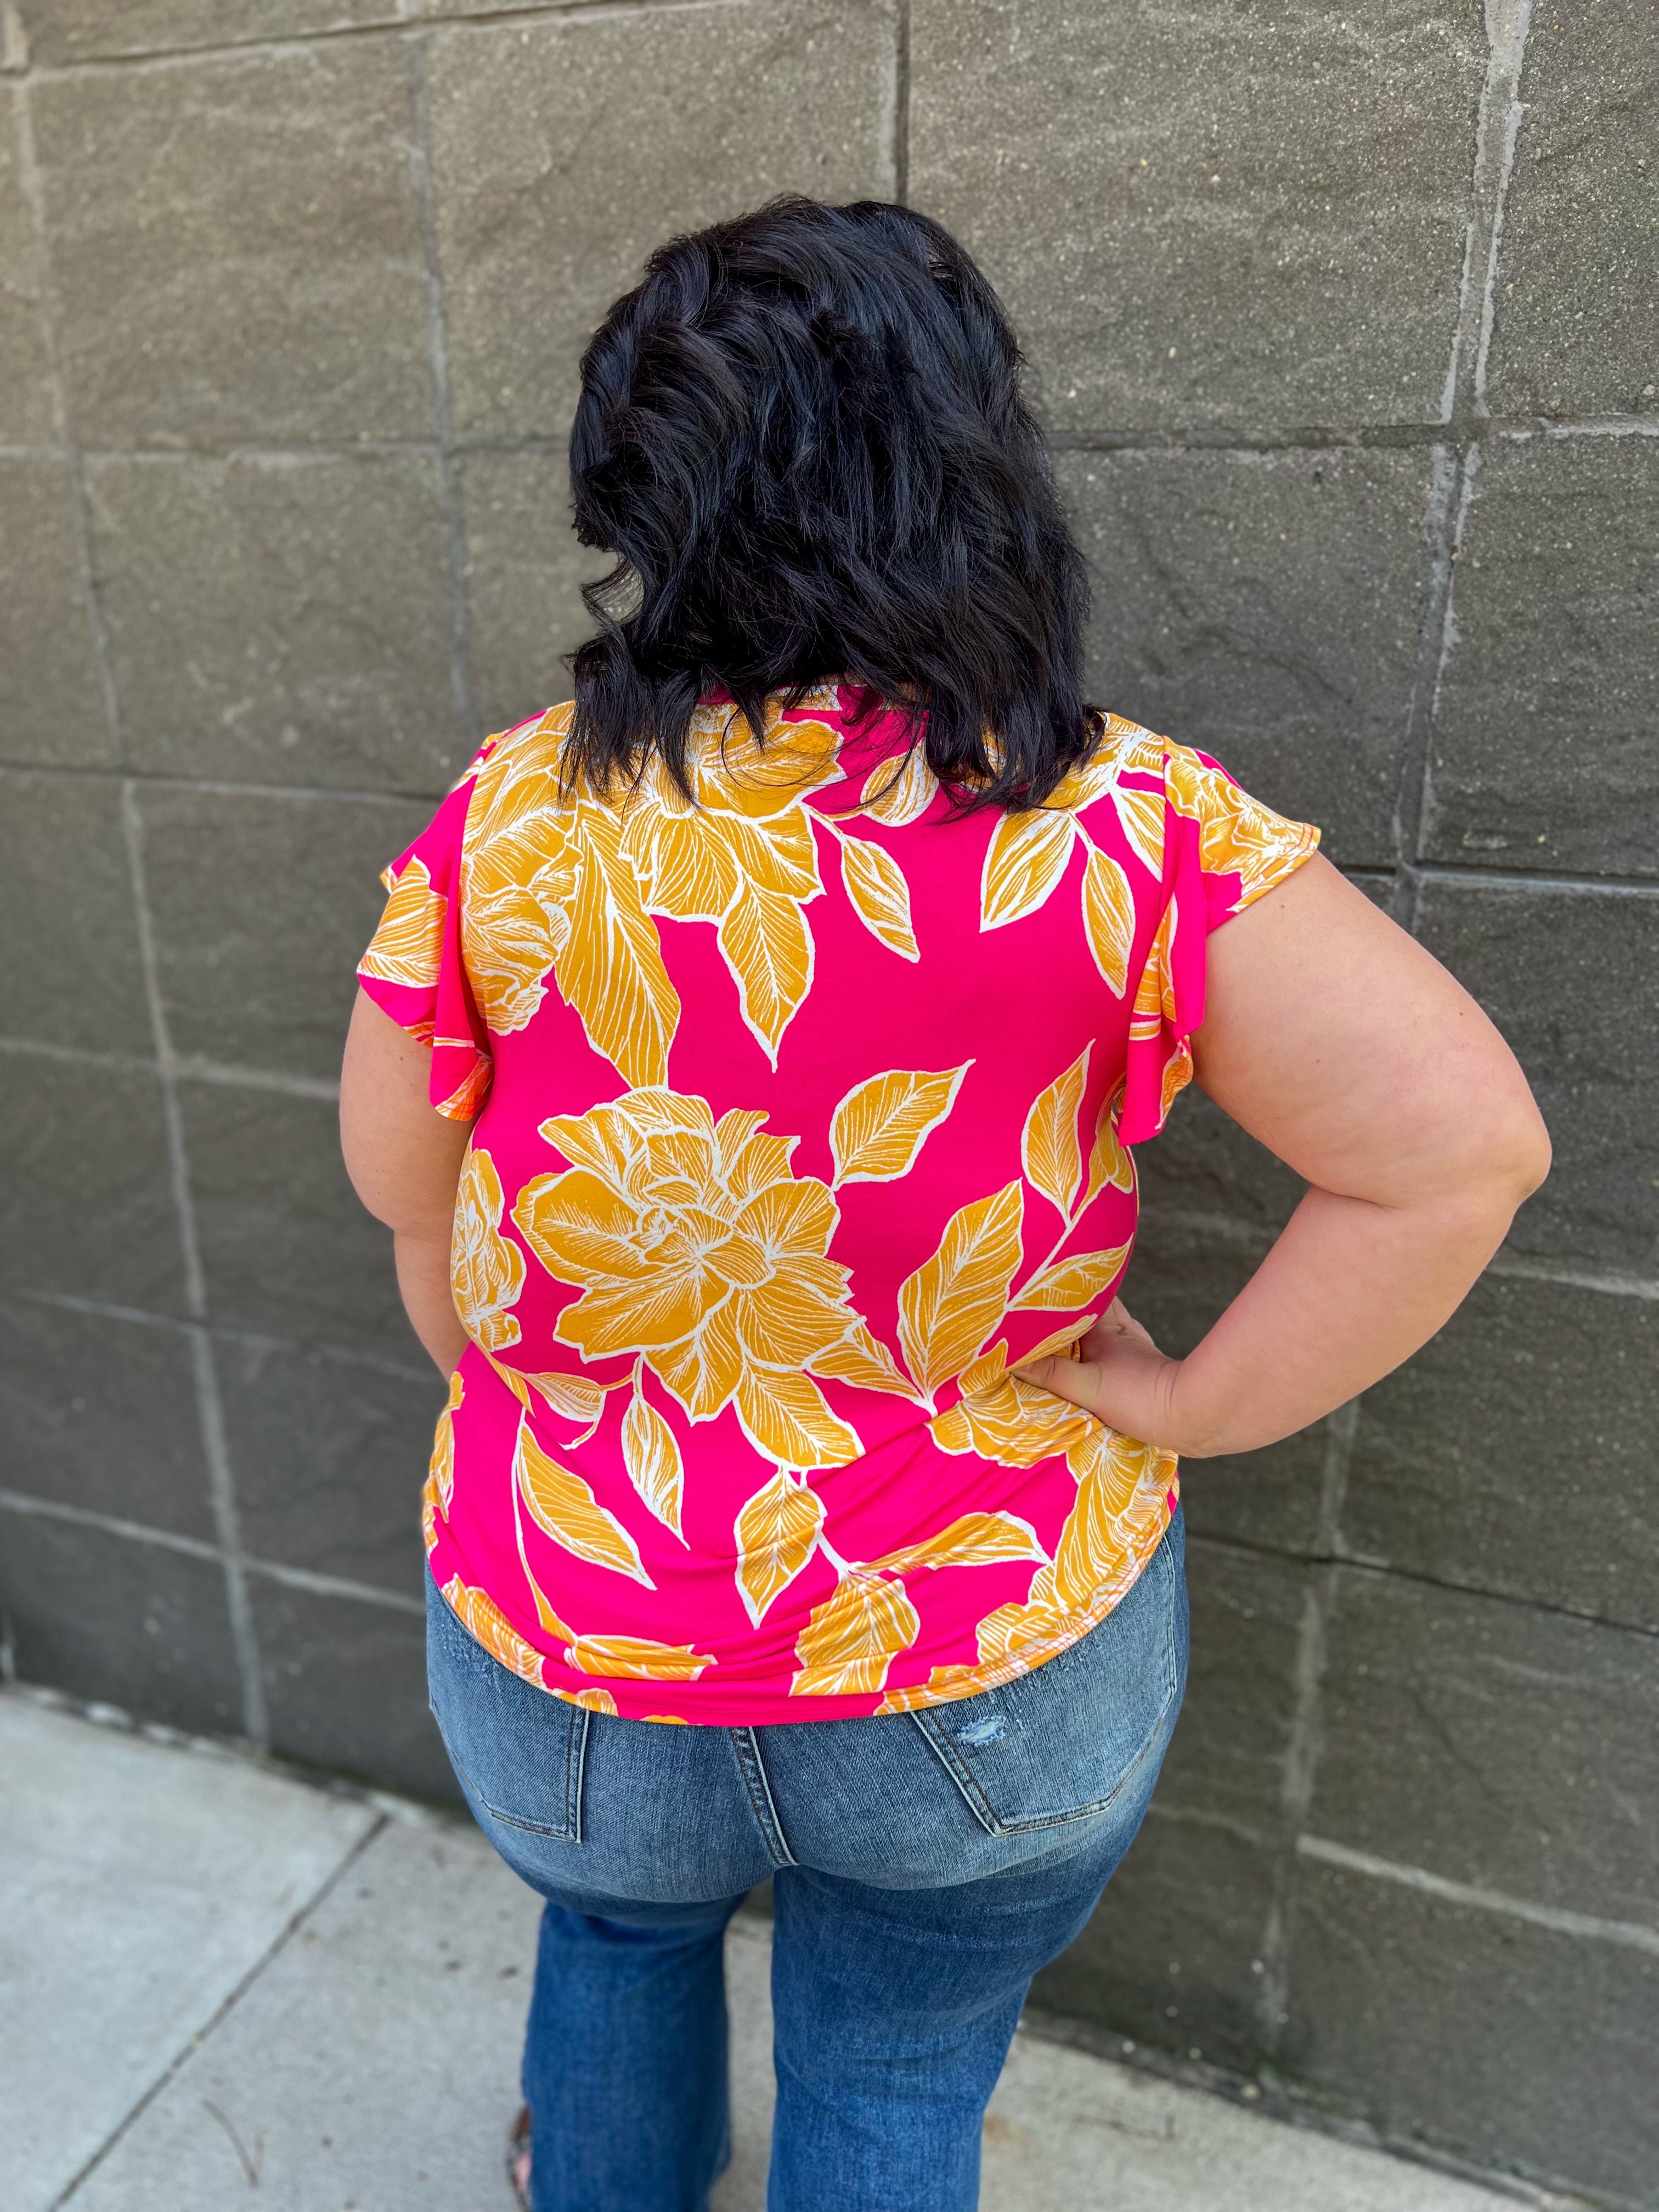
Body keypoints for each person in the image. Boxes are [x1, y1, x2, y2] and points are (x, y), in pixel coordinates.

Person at [338, 197, 1549, 2212]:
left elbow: (402, 1183)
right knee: (895, 2060)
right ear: (963, 465)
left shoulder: (512, 815)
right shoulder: (1125, 827)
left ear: (644, 487)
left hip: (571, 1647)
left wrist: (526, 1389)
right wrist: (1195, 1408)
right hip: (979, 1661)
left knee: (615, 1937)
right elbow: (1461, 1150)